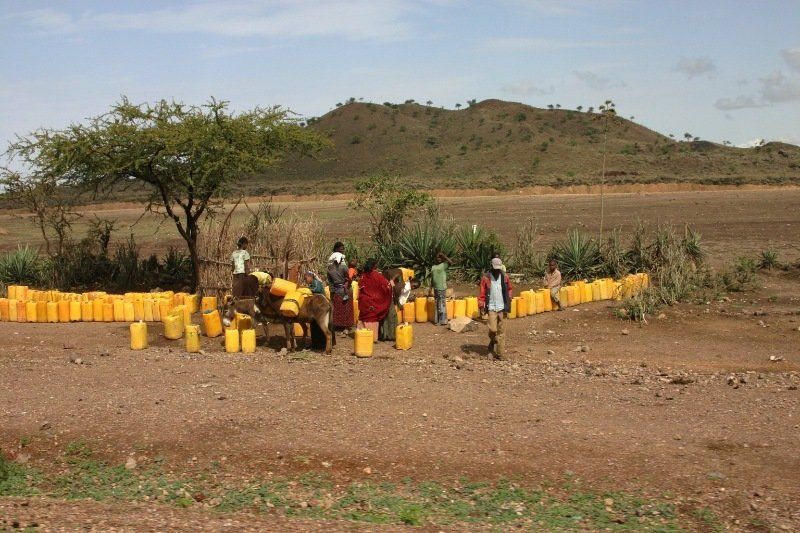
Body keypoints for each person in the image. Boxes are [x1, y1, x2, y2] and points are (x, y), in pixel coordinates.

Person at [478, 257, 513, 360]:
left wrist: (509, 298)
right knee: (493, 329)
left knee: (502, 332)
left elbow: (510, 289)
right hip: (492, 307)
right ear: (491, 267)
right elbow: (482, 293)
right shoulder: (486, 278)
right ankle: (494, 341)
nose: (497, 270)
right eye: (495, 268)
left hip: (502, 307)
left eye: (499, 268)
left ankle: (500, 354)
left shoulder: (505, 277)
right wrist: (481, 305)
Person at [357, 259, 393, 341]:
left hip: (364, 301)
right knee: (372, 318)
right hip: (373, 301)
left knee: (364, 318)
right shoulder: (377, 275)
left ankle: (361, 335)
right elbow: (387, 286)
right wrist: (391, 284)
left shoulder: (363, 275)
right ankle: (371, 337)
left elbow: (360, 286)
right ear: (374, 266)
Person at [327, 242, 355, 333]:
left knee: (336, 308)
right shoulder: (343, 267)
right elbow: (349, 278)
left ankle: (336, 326)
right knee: (346, 308)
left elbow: (330, 281)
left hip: (335, 290)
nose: (343, 250)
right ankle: (345, 327)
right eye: (341, 248)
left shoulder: (329, 268)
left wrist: (332, 290)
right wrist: (347, 284)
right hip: (345, 290)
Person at [304, 271, 327, 350]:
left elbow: (317, 289)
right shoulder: (311, 284)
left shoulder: (316, 282)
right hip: (315, 307)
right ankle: (315, 344)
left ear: (310, 277)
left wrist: (307, 289)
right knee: (314, 326)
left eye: (306, 278)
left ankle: (322, 344)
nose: (305, 280)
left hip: (321, 305)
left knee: (320, 325)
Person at [430, 252, 453, 326]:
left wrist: (444, 255)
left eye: (440, 258)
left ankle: (443, 321)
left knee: (441, 304)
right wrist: (431, 287)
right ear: (435, 258)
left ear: (442, 259)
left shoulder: (443, 265)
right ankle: (437, 320)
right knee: (437, 303)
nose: (439, 259)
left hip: (442, 288)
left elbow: (451, 262)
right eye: (438, 257)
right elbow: (432, 278)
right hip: (435, 288)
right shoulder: (433, 267)